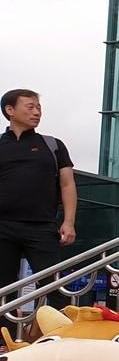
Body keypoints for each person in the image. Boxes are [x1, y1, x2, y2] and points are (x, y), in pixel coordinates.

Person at [0, 90, 76, 299]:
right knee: (3, 289)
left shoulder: (53, 145)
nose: (37, 112)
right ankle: (6, 322)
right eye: (30, 107)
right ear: (10, 110)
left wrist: (69, 222)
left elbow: (67, 185)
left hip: (41, 226)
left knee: (55, 287)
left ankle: (59, 321)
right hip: (2, 226)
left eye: (39, 107)